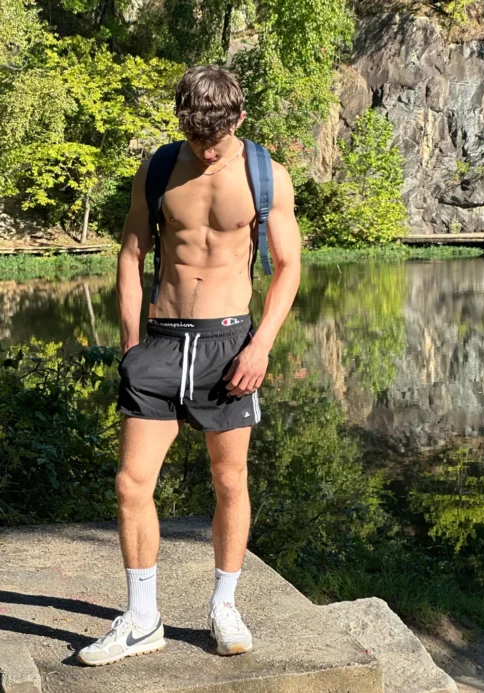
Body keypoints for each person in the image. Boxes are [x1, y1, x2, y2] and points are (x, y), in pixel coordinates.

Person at [77, 64, 301, 666]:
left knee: (229, 481)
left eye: (216, 140)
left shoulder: (265, 175)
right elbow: (131, 256)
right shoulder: (157, 170)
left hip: (229, 345)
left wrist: (261, 346)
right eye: (195, 138)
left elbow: (288, 266)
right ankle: (142, 619)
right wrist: (131, 346)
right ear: (182, 122)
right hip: (161, 344)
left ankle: (224, 605)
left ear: (240, 119)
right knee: (131, 483)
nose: (205, 152)